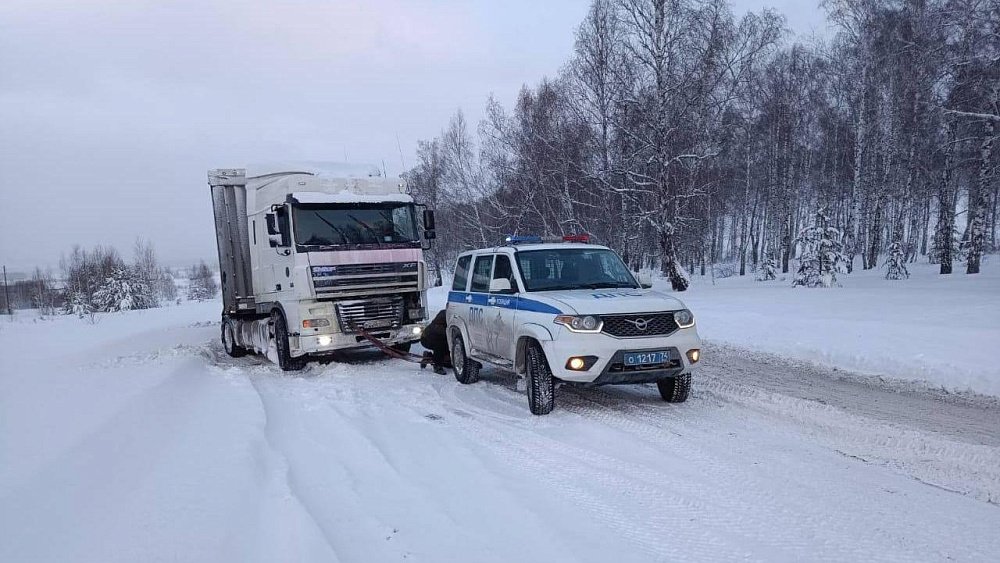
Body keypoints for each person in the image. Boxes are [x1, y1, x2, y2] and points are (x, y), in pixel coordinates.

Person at [420, 309, 450, 375]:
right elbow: (439, 331)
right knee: (441, 345)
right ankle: (437, 366)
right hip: (427, 338)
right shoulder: (444, 315)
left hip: (435, 336)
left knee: (449, 363)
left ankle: (429, 356)